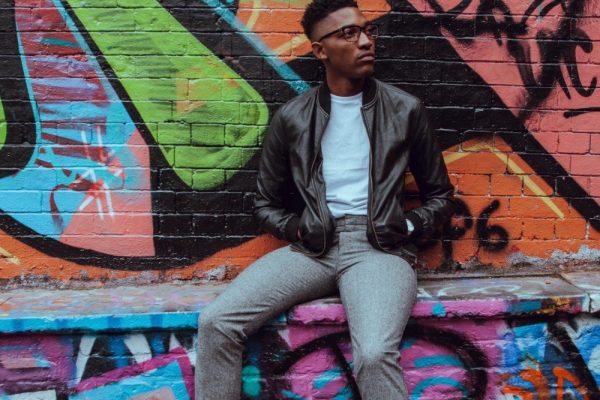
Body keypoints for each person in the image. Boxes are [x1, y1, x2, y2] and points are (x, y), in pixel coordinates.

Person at [195, 0, 455, 398]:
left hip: (379, 249)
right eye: (348, 34)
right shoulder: (293, 117)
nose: (365, 41)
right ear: (320, 50)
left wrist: (407, 225)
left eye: (367, 30)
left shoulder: (405, 110)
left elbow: (440, 196)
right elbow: (264, 204)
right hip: (313, 248)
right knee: (217, 322)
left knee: (374, 354)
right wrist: (297, 228)